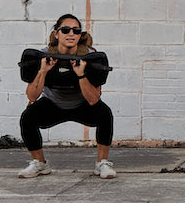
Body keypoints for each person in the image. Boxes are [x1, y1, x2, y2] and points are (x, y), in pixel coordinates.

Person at [17, 14, 116, 179]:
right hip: (53, 104)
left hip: (82, 104)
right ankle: (40, 164)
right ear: (57, 34)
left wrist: (81, 74)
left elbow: (93, 99)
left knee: (105, 114)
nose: (71, 34)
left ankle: (102, 163)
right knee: (28, 117)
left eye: (76, 31)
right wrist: (43, 70)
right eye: (65, 30)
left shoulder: (90, 56)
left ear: (80, 35)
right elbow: (32, 96)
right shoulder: (44, 55)